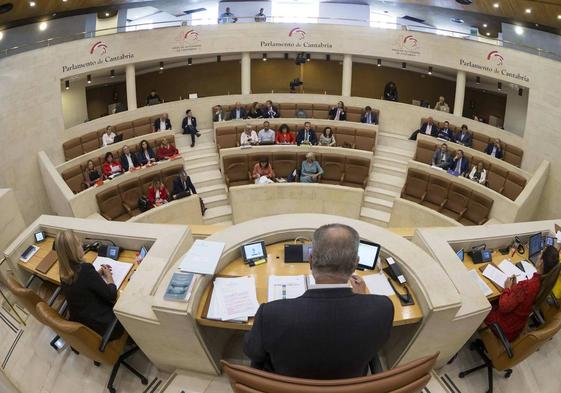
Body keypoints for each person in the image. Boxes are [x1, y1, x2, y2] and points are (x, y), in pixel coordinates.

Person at [244, 224, 394, 378]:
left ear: (310, 261)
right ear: (355, 263)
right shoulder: (383, 308)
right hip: (347, 385)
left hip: (291, 386)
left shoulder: (270, 314)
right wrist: (363, 301)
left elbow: (253, 353)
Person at [56, 230, 124, 340]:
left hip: (85, 327)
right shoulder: (85, 269)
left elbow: (82, 284)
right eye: (78, 243)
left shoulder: (64, 274)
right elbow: (111, 295)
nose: (82, 245)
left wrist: (96, 274)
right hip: (105, 327)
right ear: (73, 250)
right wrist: (109, 277)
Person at [485, 246, 560, 342]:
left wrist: (507, 288)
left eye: (540, 254)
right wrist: (516, 289)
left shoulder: (528, 286)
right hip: (515, 328)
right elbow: (523, 299)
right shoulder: (544, 285)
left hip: (503, 328)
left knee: (484, 303)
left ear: (541, 262)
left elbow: (503, 306)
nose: (538, 255)